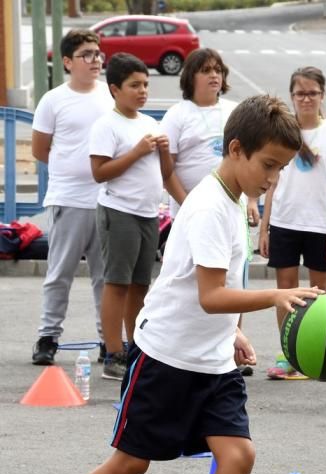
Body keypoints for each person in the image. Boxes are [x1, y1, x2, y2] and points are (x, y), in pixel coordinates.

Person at [20, 95, 324, 474]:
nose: (273, 178)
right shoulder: (208, 205)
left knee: (238, 456)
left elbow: (218, 290)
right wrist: (273, 298)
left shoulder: (235, 200)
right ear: (236, 150)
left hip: (212, 363)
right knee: (130, 464)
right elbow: (210, 294)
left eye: (279, 168)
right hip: (165, 358)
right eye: (268, 165)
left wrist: (232, 333)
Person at [161, 48, 259, 377]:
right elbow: (167, 168)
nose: (214, 76)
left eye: (218, 70)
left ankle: (231, 346)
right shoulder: (178, 114)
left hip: (232, 209)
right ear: (191, 77)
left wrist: (252, 202)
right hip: (194, 211)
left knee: (234, 280)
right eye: (206, 70)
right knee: (200, 284)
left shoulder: (233, 112)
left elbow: (251, 165)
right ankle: (191, 349)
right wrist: (188, 202)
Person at [259, 66, 326, 379]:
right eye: (300, 93)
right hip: (285, 223)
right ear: (292, 96)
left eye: (312, 93)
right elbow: (270, 182)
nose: (306, 99)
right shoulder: (281, 134)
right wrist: (264, 226)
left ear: (322, 95)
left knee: (321, 292)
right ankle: (289, 356)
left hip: (319, 226)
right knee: (284, 291)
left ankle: (324, 352)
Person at [31, 30, 113, 366]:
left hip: (106, 200)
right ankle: (48, 337)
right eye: (87, 55)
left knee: (105, 277)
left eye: (98, 54)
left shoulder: (109, 96)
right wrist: (72, 169)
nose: (95, 60)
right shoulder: (54, 100)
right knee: (60, 272)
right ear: (67, 62)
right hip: (68, 199)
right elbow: (39, 148)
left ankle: (109, 341)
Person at [89, 53, 170, 381]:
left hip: (148, 214)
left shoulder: (150, 123)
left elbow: (165, 174)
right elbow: (99, 172)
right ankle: (114, 352)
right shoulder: (106, 125)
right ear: (114, 89)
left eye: (146, 85)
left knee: (140, 285)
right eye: (134, 85)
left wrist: (164, 150)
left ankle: (137, 347)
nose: (142, 91)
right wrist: (136, 151)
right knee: (117, 283)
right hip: (118, 212)